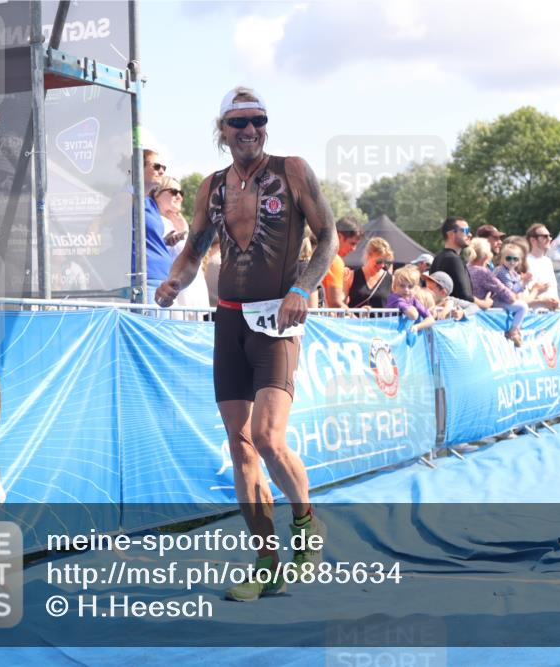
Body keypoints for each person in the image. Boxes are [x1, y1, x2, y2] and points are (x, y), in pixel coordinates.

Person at [155, 86, 336, 601]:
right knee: (239, 446)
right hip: (229, 322)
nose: (250, 129)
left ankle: (306, 523)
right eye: (239, 123)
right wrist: (173, 280)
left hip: (277, 318)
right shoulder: (211, 186)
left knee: (268, 436)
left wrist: (303, 287)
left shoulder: (293, 169)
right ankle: (266, 561)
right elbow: (194, 250)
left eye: (258, 120)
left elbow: (325, 238)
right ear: (223, 131)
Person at [152, 174, 208, 311]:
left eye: (181, 193)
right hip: (173, 302)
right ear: (157, 194)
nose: (179, 197)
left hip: (194, 301)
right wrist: (164, 243)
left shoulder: (181, 223)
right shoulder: (153, 223)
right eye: (173, 192)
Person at [468, 238, 528, 346]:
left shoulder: (467, 268)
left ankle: (515, 329)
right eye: (509, 258)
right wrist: (522, 284)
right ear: (487, 256)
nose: (512, 262)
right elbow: (507, 294)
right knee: (522, 306)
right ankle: (513, 331)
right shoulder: (485, 271)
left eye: (515, 259)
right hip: (485, 307)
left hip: (475, 308)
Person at [135, 149, 175, 303]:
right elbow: (99, 224)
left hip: (161, 281)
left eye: (164, 168)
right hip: (143, 281)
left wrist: (164, 241)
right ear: (138, 166)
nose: (162, 171)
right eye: (157, 166)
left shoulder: (150, 202)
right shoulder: (127, 197)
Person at [430, 217, 492, 307]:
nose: (470, 234)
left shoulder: (438, 257)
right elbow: (464, 296)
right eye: (466, 230)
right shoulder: (453, 259)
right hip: (455, 317)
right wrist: (485, 304)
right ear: (451, 234)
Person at [322, 216, 360, 307]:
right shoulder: (335, 261)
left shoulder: (319, 255)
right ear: (339, 236)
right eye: (352, 243)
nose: (354, 249)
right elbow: (334, 302)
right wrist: (356, 318)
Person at [387, 265, 435, 337]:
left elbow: (431, 319)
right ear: (394, 286)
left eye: (410, 286)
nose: (406, 290)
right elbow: (414, 315)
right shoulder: (394, 298)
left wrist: (417, 326)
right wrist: (413, 308)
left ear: (415, 288)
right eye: (402, 286)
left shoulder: (413, 300)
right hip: (390, 335)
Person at [347, 237, 394, 308]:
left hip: (383, 319)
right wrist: (356, 312)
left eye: (386, 262)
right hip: (356, 318)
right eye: (379, 261)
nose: (382, 265)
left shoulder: (391, 279)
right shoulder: (351, 276)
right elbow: (341, 303)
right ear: (368, 255)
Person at [525, 223, 560, 309]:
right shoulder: (525, 261)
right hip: (533, 315)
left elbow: (553, 290)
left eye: (550, 236)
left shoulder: (547, 261)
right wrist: (543, 300)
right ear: (533, 240)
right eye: (545, 236)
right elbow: (525, 293)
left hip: (550, 314)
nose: (549, 239)